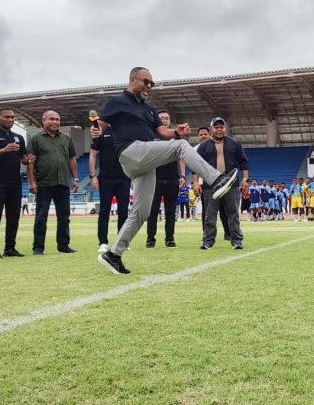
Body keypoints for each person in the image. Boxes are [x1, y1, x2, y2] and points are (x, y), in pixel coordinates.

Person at [96, 67, 238, 274]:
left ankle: (113, 255)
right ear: (132, 79)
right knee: (180, 147)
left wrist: (176, 132)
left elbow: (162, 132)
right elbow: (100, 126)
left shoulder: (149, 109)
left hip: (144, 160)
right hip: (129, 151)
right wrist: (95, 130)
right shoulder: (116, 102)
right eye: (145, 82)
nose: (149, 87)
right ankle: (216, 180)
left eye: (151, 84)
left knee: (141, 212)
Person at [191, 116, 249, 250]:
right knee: (209, 215)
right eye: (216, 127)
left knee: (233, 214)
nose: (219, 130)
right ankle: (208, 240)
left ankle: (236, 240)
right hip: (210, 185)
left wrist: (245, 180)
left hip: (231, 185)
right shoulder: (204, 146)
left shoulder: (234, 144)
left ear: (225, 128)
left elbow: (244, 162)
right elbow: (196, 165)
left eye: (221, 127)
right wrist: (195, 183)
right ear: (211, 129)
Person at [0, 109, 32, 259]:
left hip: (15, 182)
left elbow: (23, 158)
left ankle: (10, 247)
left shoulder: (18, 138)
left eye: (12, 117)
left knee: (14, 216)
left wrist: (28, 159)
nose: (10, 119)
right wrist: (4, 149)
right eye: (7, 117)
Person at [26, 110, 79, 255]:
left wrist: (75, 179)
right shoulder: (35, 138)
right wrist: (32, 182)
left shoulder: (66, 138)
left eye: (57, 119)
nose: (55, 122)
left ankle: (63, 245)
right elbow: (29, 162)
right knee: (41, 216)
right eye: (52, 119)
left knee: (64, 216)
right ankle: (38, 247)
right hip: (44, 182)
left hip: (63, 182)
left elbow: (72, 159)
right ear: (43, 121)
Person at [145, 110, 186, 249]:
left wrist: (182, 175)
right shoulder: (151, 136)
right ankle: (150, 239)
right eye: (161, 118)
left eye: (166, 118)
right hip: (154, 179)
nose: (164, 120)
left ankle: (170, 238)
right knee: (153, 211)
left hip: (172, 179)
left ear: (170, 121)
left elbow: (181, 158)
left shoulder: (177, 138)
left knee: (171, 211)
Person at [89, 124, 131, 254]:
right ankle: (103, 242)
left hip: (124, 177)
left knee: (123, 211)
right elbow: (93, 154)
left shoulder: (127, 131)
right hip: (106, 178)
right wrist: (92, 175)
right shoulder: (101, 131)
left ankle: (122, 241)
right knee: (104, 210)